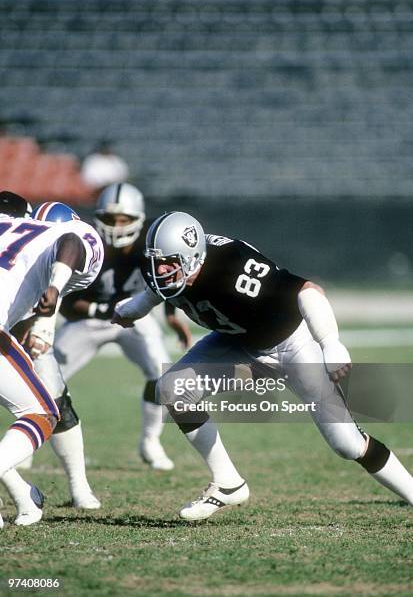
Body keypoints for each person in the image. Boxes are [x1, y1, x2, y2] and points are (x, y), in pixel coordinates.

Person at [113, 211, 413, 521]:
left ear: (192, 256)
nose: (159, 269)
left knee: (347, 444)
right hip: (239, 344)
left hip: (293, 345)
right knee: (174, 388)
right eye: (155, 261)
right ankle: (228, 483)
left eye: (168, 262)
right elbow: (155, 289)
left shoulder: (232, 268)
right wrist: (132, 309)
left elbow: (308, 291)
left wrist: (330, 343)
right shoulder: (172, 271)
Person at [48, 183, 191, 471]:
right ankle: (30, 442)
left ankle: (151, 441)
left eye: (124, 219)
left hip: (136, 319)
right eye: (111, 219)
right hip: (89, 321)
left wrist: (172, 316)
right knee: (46, 380)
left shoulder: (153, 241)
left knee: (161, 371)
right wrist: (102, 310)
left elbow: (167, 278)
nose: (117, 226)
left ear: (138, 218)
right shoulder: (84, 243)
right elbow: (64, 302)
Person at [0, 196, 103, 528]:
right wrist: (55, 292)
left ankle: (25, 496)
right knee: (41, 413)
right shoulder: (59, 234)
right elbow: (72, 240)